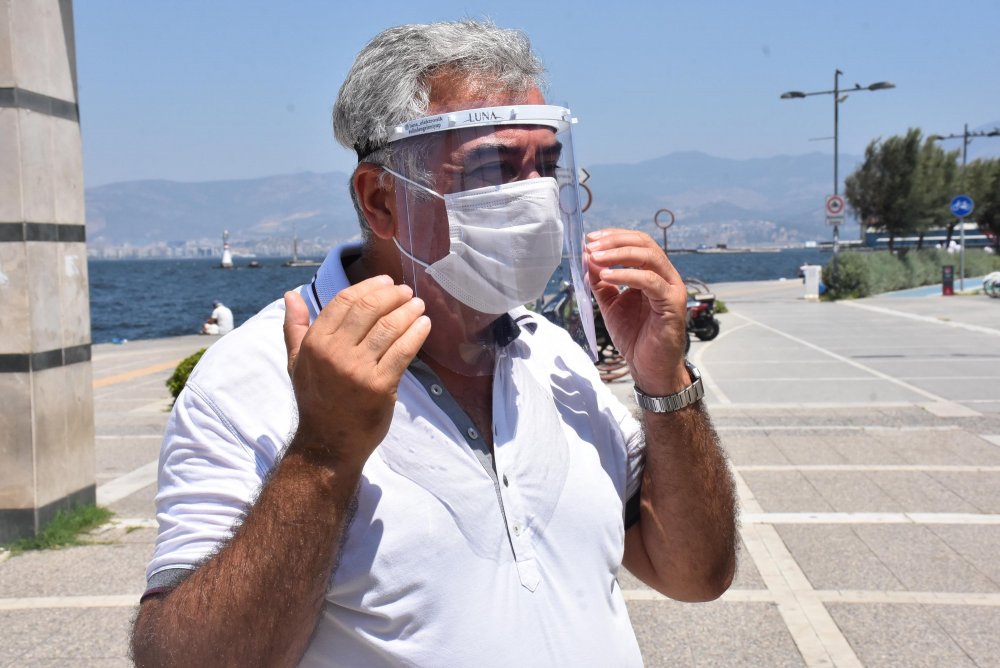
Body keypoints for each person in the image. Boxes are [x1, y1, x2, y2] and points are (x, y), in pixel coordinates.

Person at [132, 21, 737, 667]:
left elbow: (694, 574)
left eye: (546, 168)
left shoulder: (552, 354)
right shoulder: (252, 378)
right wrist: (322, 452)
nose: (534, 198)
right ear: (381, 199)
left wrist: (664, 382)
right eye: (492, 169)